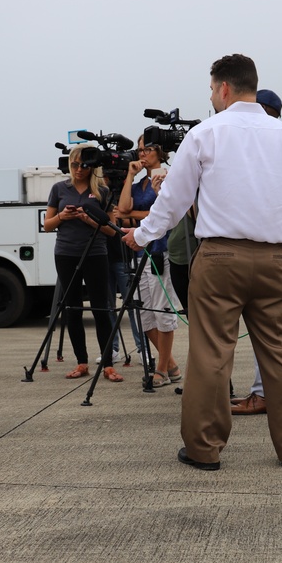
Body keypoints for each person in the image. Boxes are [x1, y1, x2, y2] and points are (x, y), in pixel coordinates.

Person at [122, 54, 282, 470]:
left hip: (220, 257)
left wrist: (140, 236)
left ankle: (204, 449)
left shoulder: (206, 134)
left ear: (224, 88)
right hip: (274, 259)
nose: (211, 96)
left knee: (211, 354)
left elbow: (173, 201)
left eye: (211, 89)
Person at [228, 88, 282, 417]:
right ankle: (269, 397)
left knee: (224, 339)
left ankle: (262, 394)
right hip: (275, 253)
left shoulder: (234, 142)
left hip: (232, 252)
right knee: (276, 339)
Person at [44, 146, 124, 382]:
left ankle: (108, 364)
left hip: (95, 253)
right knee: (73, 308)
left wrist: (89, 220)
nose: (79, 170)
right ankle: (81, 362)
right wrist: (63, 217)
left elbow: (112, 231)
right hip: (66, 253)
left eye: (84, 165)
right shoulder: (59, 188)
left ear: (92, 166)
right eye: (75, 165)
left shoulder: (102, 191)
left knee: (101, 308)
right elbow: (47, 225)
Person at [117, 136, 181, 387]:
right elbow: (122, 210)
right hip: (141, 252)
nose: (142, 154)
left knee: (163, 311)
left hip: (162, 250)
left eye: (148, 149)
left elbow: (165, 211)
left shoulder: (169, 176)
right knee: (144, 315)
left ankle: (162, 368)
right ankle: (171, 364)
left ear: (160, 151)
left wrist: (133, 215)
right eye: (140, 150)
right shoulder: (141, 182)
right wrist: (130, 176)